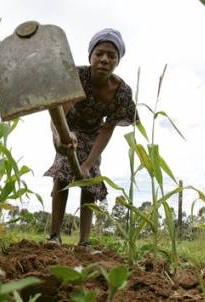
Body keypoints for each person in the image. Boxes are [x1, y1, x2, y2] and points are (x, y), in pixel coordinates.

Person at [44, 28, 138, 247]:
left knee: (90, 181)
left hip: (94, 135)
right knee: (62, 172)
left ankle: (84, 242)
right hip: (69, 127)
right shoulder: (75, 76)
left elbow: (108, 129)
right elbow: (59, 113)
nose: (104, 59)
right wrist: (61, 138)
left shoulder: (121, 91)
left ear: (117, 61)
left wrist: (87, 163)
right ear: (90, 56)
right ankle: (54, 236)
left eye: (111, 56)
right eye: (99, 54)